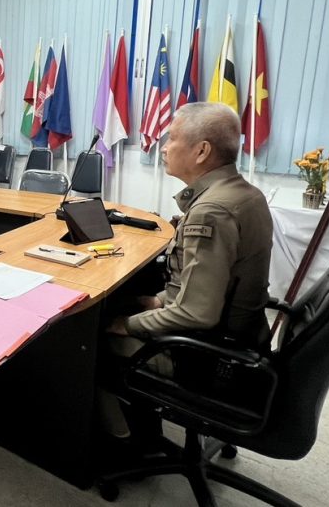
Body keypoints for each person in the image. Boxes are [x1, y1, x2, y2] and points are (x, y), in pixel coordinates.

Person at [99, 102, 273, 442]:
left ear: (202, 151)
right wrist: (156, 301)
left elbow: (197, 313)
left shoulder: (212, 211)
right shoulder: (244, 194)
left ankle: (122, 442)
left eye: (172, 138)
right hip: (239, 341)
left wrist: (125, 324)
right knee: (126, 305)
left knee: (87, 340)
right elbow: (207, 285)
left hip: (202, 357)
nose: (164, 147)